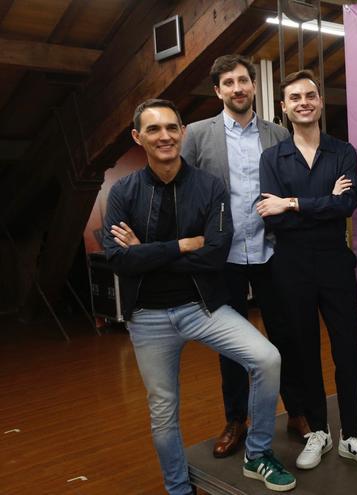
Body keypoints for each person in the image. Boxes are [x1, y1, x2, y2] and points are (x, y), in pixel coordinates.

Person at [103, 99, 296, 493]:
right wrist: (181, 246)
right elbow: (119, 260)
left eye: (172, 127)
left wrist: (148, 252)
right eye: (154, 129)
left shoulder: (209, 186)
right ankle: (179, 488)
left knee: (267, 358)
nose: (165, 136)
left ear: (183, 132)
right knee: (163, 413)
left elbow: (214, 254)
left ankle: (257, 454)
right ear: (138, 137)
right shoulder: (123, 191)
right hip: (149, 316)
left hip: (202, 307)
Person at [180, 54, 310, 459]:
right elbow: (182, 193)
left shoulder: (277, 134)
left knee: (285, 335)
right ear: (218, 91)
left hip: (273, 252)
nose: (238, 88)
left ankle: (297, 410)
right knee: (232, 345)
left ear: (254, 86)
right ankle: (236, 419)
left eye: (243, 81)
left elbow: (294, 186)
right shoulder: (198, 135)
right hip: (224, 257)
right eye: (229, 83)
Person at [256, 70, 357, 470]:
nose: (303, 102)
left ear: (319, 101)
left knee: (346, 349)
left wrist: (292, 203)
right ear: (284, 107)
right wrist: (319, 203)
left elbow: (347, 206)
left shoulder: (342, 151)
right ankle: (319, 431)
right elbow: (271, 218)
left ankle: (351, 435)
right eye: (294, 97)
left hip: (334, 261)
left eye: (310, 95)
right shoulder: (272, 157)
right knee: (303, 350)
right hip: (291, 264)